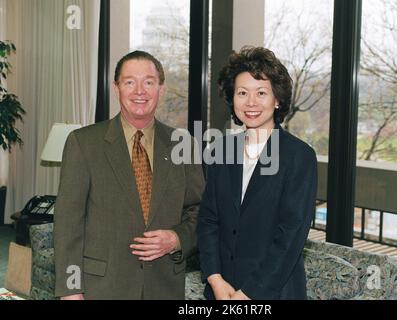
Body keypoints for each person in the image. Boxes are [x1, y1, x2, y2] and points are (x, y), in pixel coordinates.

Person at [54, 50, 205, 300]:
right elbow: (69, 222)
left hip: (165, 286)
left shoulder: (183, 145)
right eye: (129, 82)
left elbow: (199, 211)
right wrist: (71, 289)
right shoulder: (83, 143)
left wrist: (177, 238)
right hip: (102, 288)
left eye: (148, 82)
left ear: (161, 89)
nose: (139, 91)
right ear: (116, 88)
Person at [197, 46, 317, 300]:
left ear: (277, 100)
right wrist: (215, 279)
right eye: (242, 93)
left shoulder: (299, 156)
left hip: (273, 292)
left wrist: (249, 294)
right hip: (222, 291)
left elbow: (291, 235)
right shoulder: (222, 149)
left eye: (261, 93)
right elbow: (208, 220)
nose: (251, 102)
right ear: (233, 99)